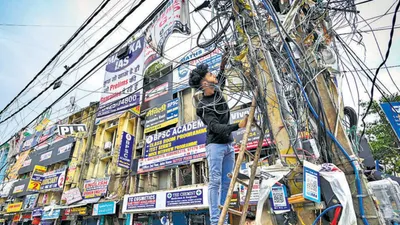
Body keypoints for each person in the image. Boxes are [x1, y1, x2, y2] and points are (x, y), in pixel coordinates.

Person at [189, 52, 248, 225]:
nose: (213, 74)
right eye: (209, 74)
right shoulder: (203, 107)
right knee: (215, 182)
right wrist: (238, 126)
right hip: (215, 146)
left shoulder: (216, 90)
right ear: (205, 83)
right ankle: (216, 221)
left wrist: (223, 63)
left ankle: (223, 218)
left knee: (226, 182)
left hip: (228, 145)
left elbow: (221, 78)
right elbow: (214, 127)